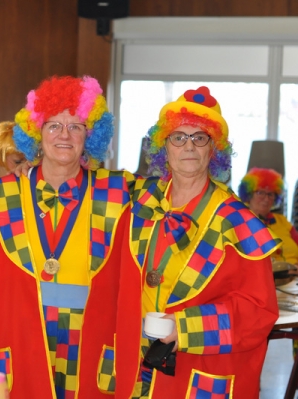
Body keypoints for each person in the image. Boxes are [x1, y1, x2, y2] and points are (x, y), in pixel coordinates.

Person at [0, 75, 134, 398]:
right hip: (20, 337)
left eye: (76, 127)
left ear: (90, 137)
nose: (64, 135)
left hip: (89, 342)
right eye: (53, 126)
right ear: (36, 133)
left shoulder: (120, 191)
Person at [114, 86, 281, 398]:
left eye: (199, 137)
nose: (188, 146)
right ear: (165, 147)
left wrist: (186, 328)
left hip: (197, 374)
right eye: (179, 137)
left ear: (213, 149)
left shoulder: (238, 222)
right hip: (136, 365)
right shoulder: (141, 202)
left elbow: (259, 312)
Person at [239, 167, 298, 265]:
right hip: (268, 276)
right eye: (260, 192)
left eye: (270, 194)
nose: (266, 199)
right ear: (249, 194)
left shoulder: (282, 220)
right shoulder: (240, 221)